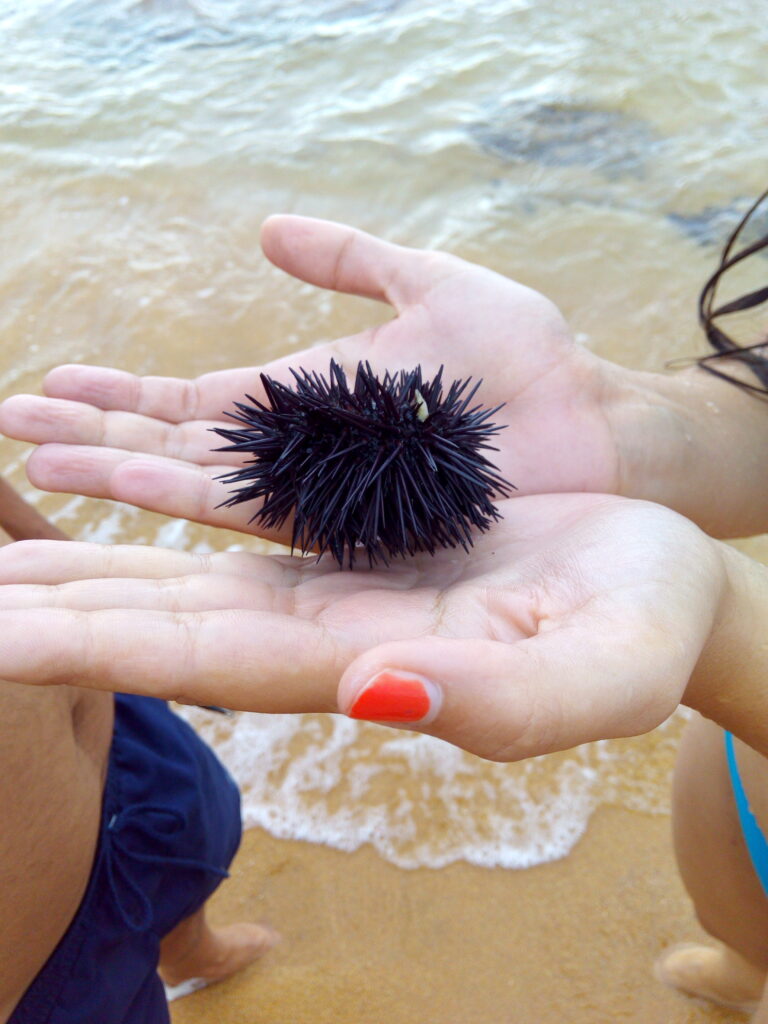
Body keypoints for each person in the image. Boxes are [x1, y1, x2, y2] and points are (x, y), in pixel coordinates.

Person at [1, 200, 768, 1019]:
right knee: (738, 928)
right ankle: (741, 961)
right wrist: (627, 421)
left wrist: (726, 630)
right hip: (735, 765)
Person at [0, 478, 275, 1024]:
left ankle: (193, 952)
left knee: (196, 841)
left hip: (116, 726)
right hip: (44, 983)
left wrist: (62, 555)